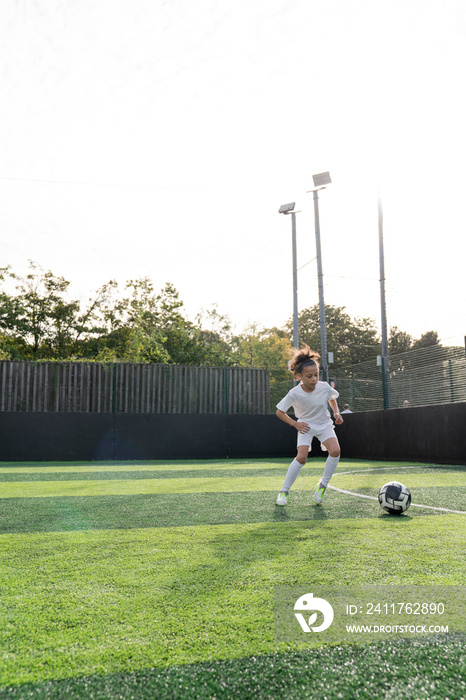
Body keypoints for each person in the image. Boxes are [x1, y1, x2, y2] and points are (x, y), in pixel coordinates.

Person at [275, 346, 343, 506]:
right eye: (309, 376)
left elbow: (331, 398)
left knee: (336, 451)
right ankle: (283, 492)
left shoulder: (324, 387)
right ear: (299, 376)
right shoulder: (294, 393)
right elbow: (279, 412)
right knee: (302, 458)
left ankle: (322, 486)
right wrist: (295, 424)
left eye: (316, 375)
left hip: (324, 424)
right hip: (305, 426)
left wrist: (336, 413)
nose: (314, 379)